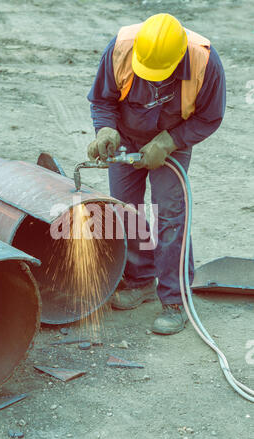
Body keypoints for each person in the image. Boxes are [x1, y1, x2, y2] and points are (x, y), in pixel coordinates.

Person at [87, 13, 226, 335]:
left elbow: (209, 117)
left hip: (172, 141)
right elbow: (102, 99)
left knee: (170, 214)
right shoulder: (121, 48)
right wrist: (105, 129)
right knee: (125, 210)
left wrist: (168, 142)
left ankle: (175, 299)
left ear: (179, 58)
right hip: (126, 135)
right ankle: (140, 279)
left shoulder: (205, 61)